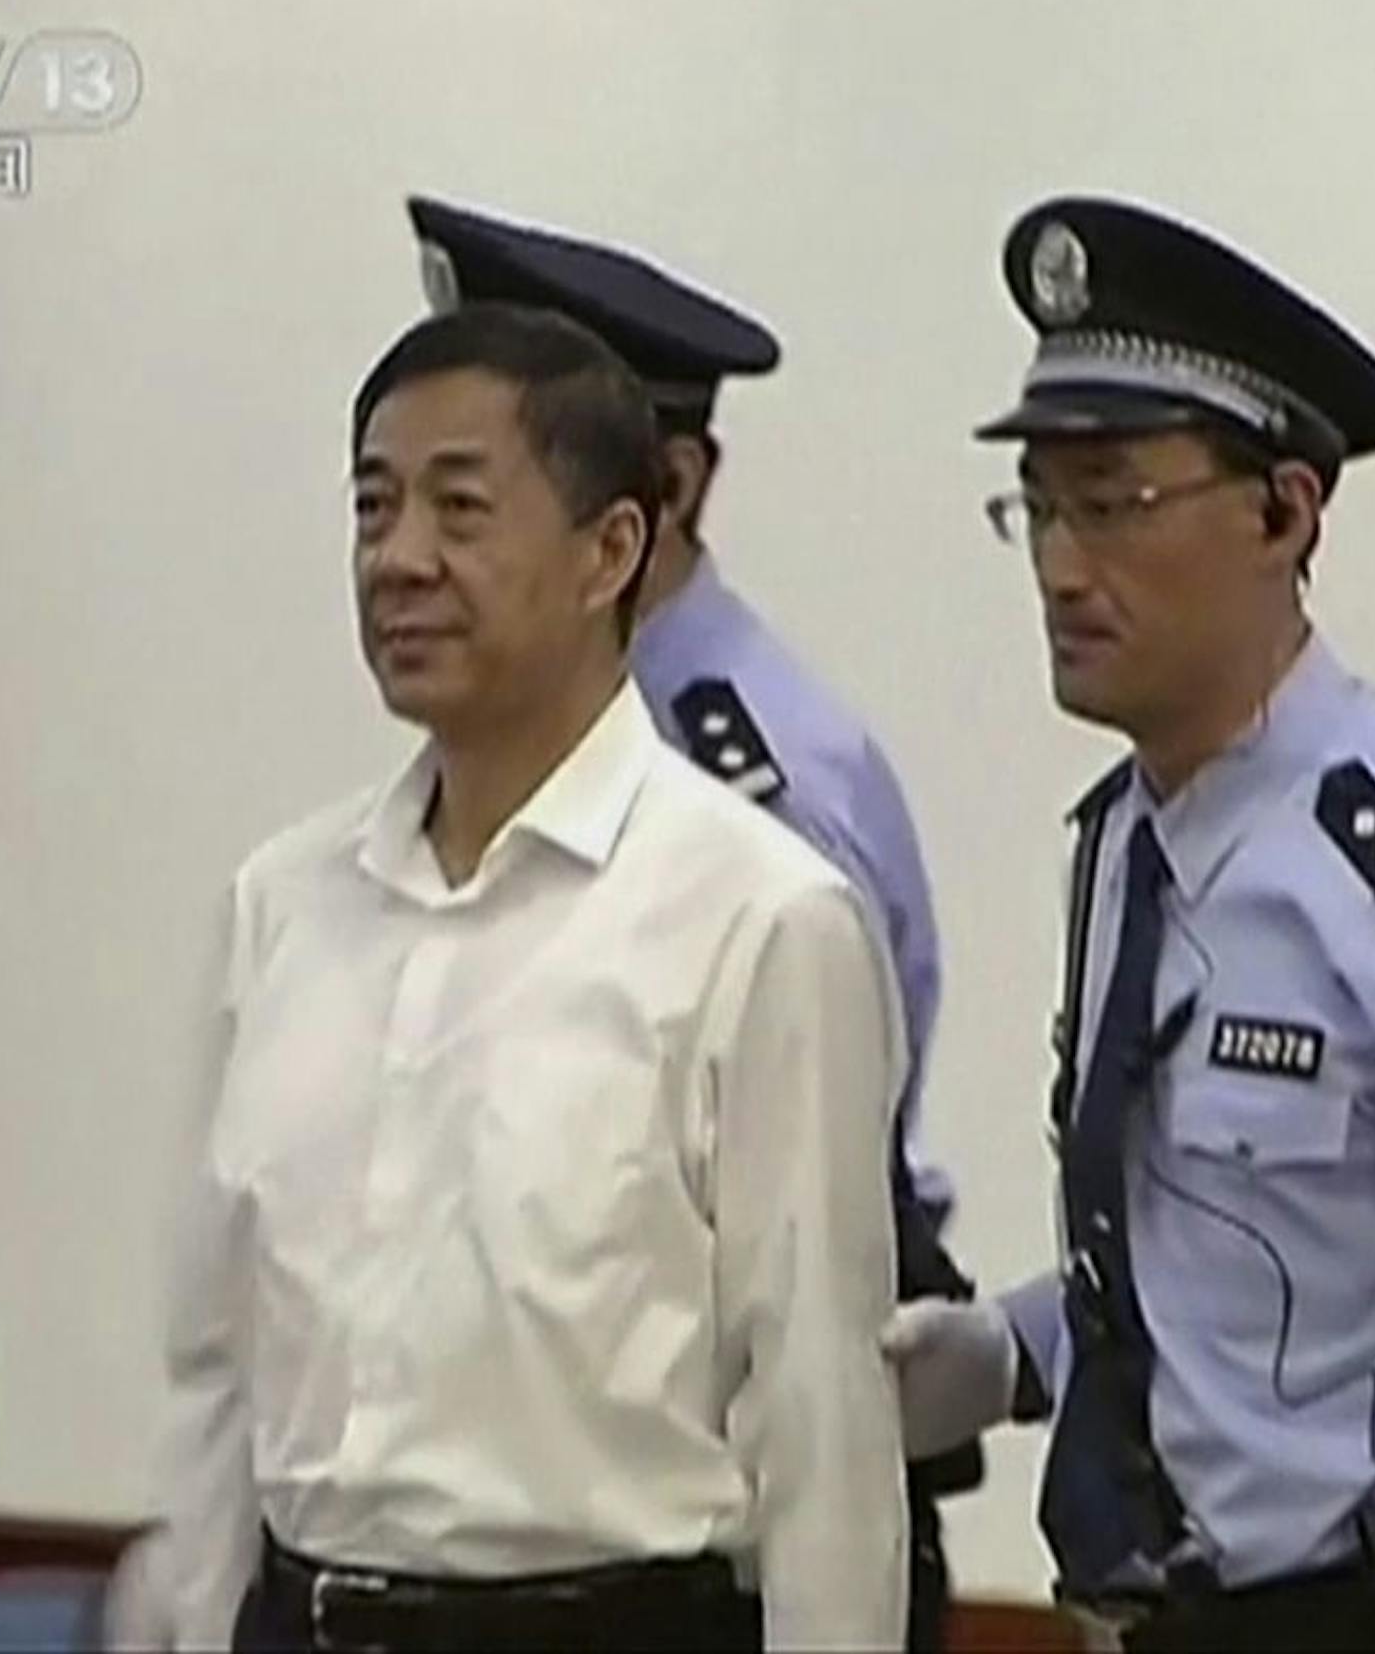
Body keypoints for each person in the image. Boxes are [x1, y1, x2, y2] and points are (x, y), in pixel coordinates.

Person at [885, 196, 1375, 1651]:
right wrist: (1016, 1350)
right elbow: (1239, 1279)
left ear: (1285, 508)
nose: (1064, 567)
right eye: (1043, 508)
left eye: (1116, 500)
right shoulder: (1128, 837)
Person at [153, 300, 908, 1652]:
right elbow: (220, 1368)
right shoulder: (282, 906)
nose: (399, 560)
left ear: (612, 548)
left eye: (460, 508)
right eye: (373, 508)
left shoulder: (761, 915)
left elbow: (820, 1416)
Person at [405, 195, 977, 1652]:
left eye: (486, 492)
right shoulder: (461, 783)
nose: (428, 548)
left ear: (660, 489)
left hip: (715, 1541)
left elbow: (791, 1264)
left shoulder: (756, 781)